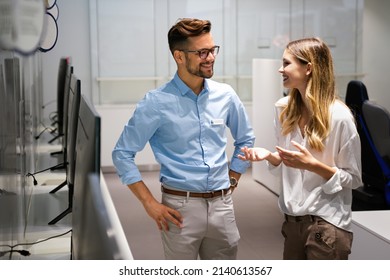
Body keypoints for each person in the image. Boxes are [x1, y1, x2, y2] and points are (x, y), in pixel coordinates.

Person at [112, 18, 255, 260]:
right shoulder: (156, 102)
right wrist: (149, 203)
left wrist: (233, 178)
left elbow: (245, 139)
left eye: (212, 50)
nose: (210, 57)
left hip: (223, 205)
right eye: (202, 52)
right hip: (179, 209)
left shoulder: (226, 95)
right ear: (179, 56)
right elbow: (122, 153)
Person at [239, 37, 362, 260]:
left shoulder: (340, 117)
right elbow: (292, 164)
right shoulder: (284, 109)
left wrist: (313, 165)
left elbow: (353, 179)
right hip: (292, 224)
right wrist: (271, 157)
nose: (280, 69)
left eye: (286, 63)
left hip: (328, 225)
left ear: (308, 68)